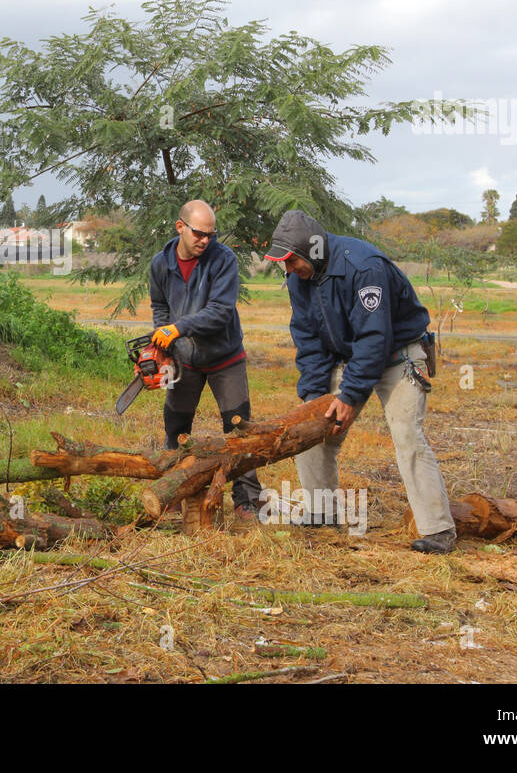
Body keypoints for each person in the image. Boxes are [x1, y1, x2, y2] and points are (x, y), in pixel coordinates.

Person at [263, 209, 456, 553]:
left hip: (399, 356)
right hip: (353, 358)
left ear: (315, 250)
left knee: (407, 435)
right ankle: (322, 513)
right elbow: (308, 339)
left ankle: (438, 529)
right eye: (285, 264)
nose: (289, 270)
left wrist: (350, 396)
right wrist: (312, 392)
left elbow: (374, 337)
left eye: (292, 262)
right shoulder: (298, 280)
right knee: (311, 427)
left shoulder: (363, 266)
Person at [149, 200, 261, 516]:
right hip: (184, 359)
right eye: (199, 233)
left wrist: (178, 328)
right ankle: (171, 494)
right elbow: (160, 306)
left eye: (211, 235)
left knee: (239, 430)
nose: (206, 241)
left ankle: (247, 501)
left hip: (225, 356)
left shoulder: (223, 260)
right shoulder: (160, 264)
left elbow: (221, 312)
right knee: (176, 427)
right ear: (180, 227)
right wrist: (163, 340)